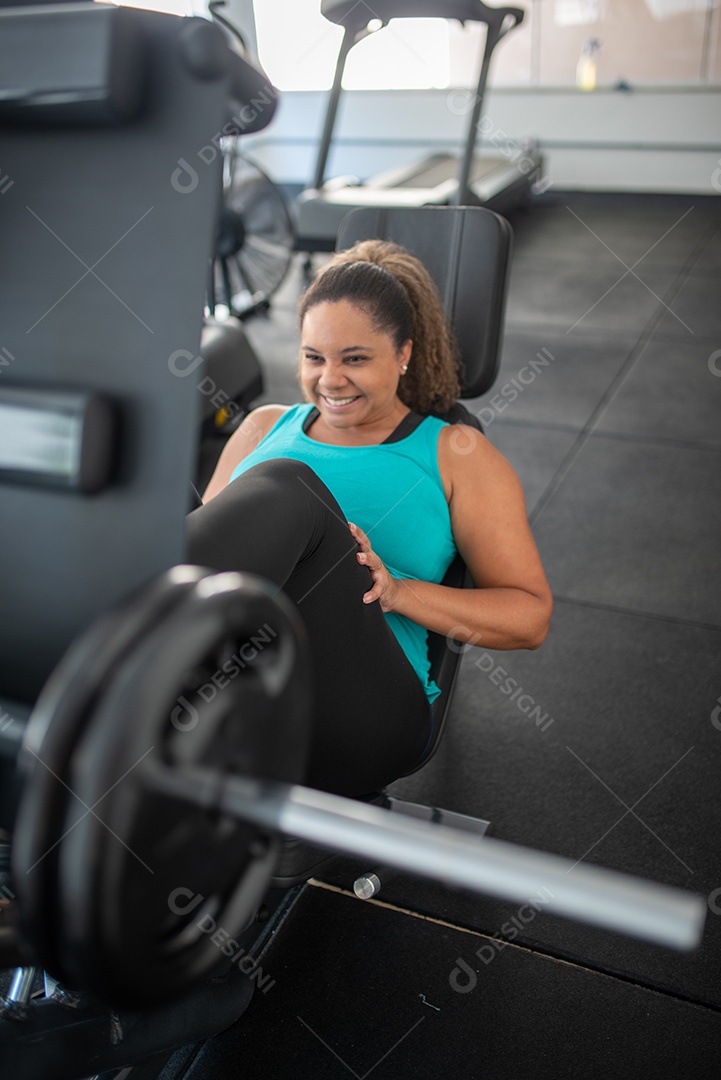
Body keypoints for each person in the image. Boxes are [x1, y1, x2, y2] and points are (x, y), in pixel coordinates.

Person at [187, 240, 552, 797]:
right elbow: (209, 557)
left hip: (362, 712)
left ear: (403, 353)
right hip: (229, 685)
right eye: (314, 357)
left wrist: (395, 591)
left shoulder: (457, 453)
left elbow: (529, 618)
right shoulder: (263, 426)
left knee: (291, 488)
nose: (330, 380)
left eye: (354, 358)